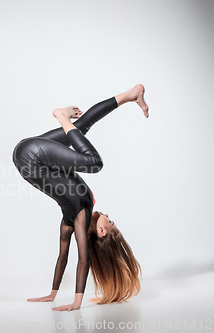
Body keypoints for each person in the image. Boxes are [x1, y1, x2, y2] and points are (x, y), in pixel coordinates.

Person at [12, 85, 147, 311]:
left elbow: (80, 260)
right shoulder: (70, 221)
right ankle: (131, 95)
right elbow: (62, 257)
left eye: (109, 222)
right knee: (81, 127)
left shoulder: (79, 218)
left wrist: (76, 301)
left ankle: (62, 116)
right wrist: (52, 294)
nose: (107, 216)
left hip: (32, 156)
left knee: (95, 163)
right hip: (29, 155)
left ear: (102, 232)